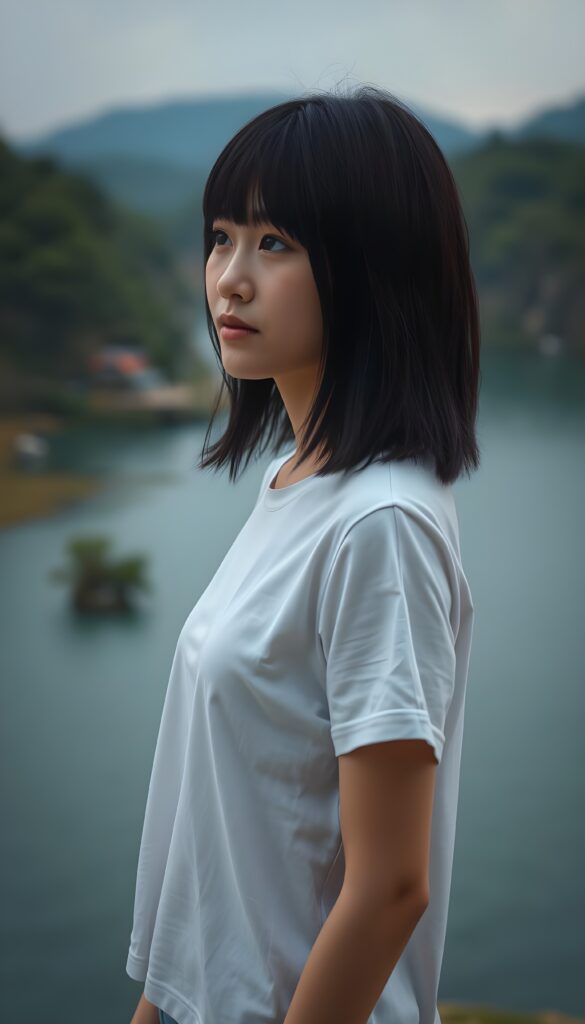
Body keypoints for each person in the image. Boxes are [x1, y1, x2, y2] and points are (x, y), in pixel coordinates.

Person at [127, 83, 480, 1024]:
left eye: (274, 242)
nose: (229, 279)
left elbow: (389, 887)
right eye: (219, 237)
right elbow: (219, 838)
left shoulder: (382, 523)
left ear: (373, 268)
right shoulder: (293, 481)